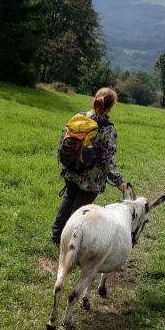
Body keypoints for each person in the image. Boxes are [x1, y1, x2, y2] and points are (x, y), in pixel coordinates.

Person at [51, 87, 127, 246]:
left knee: (68, 200)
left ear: (95, 100)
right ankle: (69, 242)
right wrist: (119, 181)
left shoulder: (80, 118)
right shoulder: (108, 129)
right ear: (111, 106)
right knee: (80, 211)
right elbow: (108, 159)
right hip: (91, 179)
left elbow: (63, 140)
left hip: (71, 169)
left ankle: (57, 234)